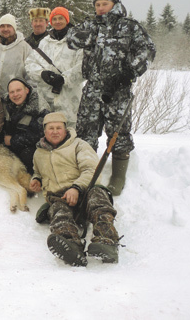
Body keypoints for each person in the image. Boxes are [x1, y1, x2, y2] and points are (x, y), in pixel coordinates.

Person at [67, 0, 156, 195]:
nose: (100, 8)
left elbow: (148, 49)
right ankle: (86, 172)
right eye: (96, 5)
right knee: (86, 131)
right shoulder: (90, 25)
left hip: (118, 89)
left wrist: (130, 71)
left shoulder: (129, 26)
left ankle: (117, 176)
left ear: (113, 3)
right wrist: (91, 35)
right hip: (93, 87)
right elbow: (71, 39)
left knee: (118, 131)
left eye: (103, 4)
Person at [30, 112, 120, 266]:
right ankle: (71, 247)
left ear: (66, 129)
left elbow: (92, 170)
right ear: (45, 132)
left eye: (59, 127)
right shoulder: (39, 153)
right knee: (58, 213)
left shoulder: (79, 145)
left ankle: (107, 242)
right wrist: (36, 179)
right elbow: (38, 171)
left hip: (85, 191)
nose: (55, 131)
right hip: (60, 198)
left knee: (98, 199)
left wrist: (76, 188)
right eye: (51, 128)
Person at [25, 7, 84, 129]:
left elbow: (82, 67)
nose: (57, 21)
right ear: (50, 21)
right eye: (54, 19)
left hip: (69, 99)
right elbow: (30, 63)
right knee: (45, 130)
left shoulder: (77, 42)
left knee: (69, 133)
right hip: (46, 99)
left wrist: (64, 79)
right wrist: (42, 74)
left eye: (61, 18)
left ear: (67, 20)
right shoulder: (45, 42)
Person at [1, 78, 46, 174]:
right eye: (12, 92)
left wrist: (13, 141)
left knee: (28, 155)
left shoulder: (39, 107)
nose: (15, 95)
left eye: (18, 90)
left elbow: (40, 135)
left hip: (33, 148)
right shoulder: (4, 103)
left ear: (27, 90)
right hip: (10, 143)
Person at [0, 14, 33, 96]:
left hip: (15, 97)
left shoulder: (24, 48)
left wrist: (29, 95)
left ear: (14, 28)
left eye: (9, 26)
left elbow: (30, 75)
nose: (5, 29)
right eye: (2, 26)